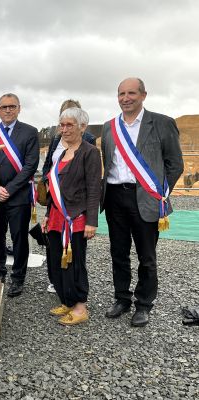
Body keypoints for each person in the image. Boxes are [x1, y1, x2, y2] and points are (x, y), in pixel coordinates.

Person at [101, 77, 183, 327]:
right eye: (121, 94)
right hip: (115, 196)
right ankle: (122, 298)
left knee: (146, 256)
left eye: (131, 93)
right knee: (118, 252)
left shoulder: (161, 123)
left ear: (143, 95)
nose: (126, 98)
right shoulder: (108, 126)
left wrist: (160, 193)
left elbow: (175, 163)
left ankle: (144, 303)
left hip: (145, 197)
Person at [42, 107, 101, 325]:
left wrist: (92, 221)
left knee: (75, 262)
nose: (64, 130)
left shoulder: (90, 152)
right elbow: (53, 188)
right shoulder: (61, 153)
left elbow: (94, 188)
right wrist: (48, 214)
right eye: (62, 125)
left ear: (82, 127)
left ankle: (80, 307)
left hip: (76, 218)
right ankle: (67, 300)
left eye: (69, 125)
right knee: (57, 261)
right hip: (57, 216)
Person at [0, 93, 40, 297]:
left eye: (12, 106)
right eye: (4, 107)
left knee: (19, 238)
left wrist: (10, 189)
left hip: (19, 195)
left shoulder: (30, 132)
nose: (8, 110)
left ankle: (18, 277)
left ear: (19, 108)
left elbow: (31, 165)